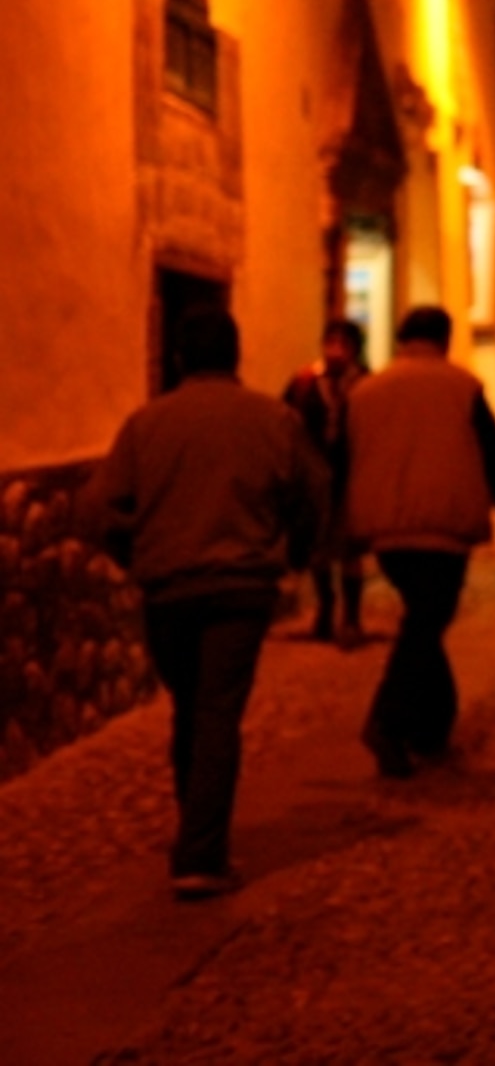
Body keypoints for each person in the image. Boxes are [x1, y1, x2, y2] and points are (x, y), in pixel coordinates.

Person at [86, 308, 329, 898]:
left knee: (190, 708)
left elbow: (97, 508)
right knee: (218, 713)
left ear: (177, 359)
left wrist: (135, 553)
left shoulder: (146, 425)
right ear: (236, 354)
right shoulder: (274, 420)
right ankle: (200, 853)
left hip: (168, 587)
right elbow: (314, 493)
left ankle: (196, 832)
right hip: (241, 586)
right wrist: (293, 552)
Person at [342, 306, 495, 779]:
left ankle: (433, 724)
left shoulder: (365, 392)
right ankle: (387, 720)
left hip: (386, 528)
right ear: (444, 338)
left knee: (425, 618)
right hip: (444, 525)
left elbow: (343, 455)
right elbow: (493, 447)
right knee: (428, 620)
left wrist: (339, 519)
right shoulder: (462, 386)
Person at [280, 316, 368, 645]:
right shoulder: (304, 383)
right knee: (318, 549)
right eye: (330, 343)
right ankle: (325, 609)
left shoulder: (365, 385)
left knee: (350, 548)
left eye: (342, 345)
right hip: (313, 479)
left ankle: (352, 616)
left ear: (355, 350)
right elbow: (286, 422)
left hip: (352, 476)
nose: (334, 352)